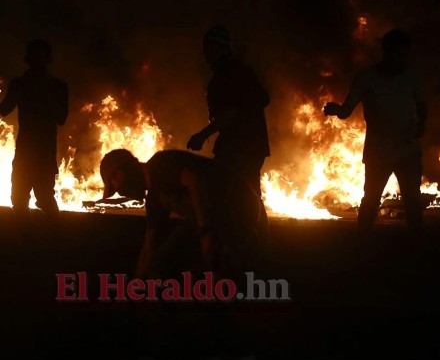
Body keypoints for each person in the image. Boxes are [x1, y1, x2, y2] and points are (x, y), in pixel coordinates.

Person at [99, 149, 264, 279]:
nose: (121, 192)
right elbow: (149, 247)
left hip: (237, 207)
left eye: (116, 185)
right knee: (162, 259)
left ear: (120, 174)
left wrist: (206, 234)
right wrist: (135, 287)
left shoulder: (160, 164)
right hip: (220, 219)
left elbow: (193, 180)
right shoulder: (154, 200)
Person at [324, 29, 427, 233]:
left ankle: (417, 247)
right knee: (371, 200)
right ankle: (361, 245)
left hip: (407, 150)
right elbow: (346, 110)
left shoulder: (411, 76)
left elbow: (422, 105)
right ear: (386, 52)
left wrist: (421, 126)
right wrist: (336, 109)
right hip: (378, 152)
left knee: (413, 202)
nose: (402, 59)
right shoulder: (367, 78)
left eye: (405, 54)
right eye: (399, 54)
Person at [187, 25, 270, 243]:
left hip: (239, 148)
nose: (205, 53)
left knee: (232, 197)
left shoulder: (229, 76)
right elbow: (261, 100)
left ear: (221, 48)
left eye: (209, 48)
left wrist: (202, 134)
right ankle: (259, 244)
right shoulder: (241, 73)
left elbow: (232, 113)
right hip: (250, 147)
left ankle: (245, 244)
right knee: (249, 196)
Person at [0, 39, 68, 217]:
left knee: (43, 197)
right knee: (20, 199)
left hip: (43, 153)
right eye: (34, 56)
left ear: (48, 59)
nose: (37, 61)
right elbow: (5, 109)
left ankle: (53, 238)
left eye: (41, 56)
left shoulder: (57, 87)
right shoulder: (21, 84)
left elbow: (61, 118)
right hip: (27, 151)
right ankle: (29, 240)